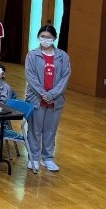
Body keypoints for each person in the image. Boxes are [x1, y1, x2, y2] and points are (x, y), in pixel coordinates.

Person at [25, 25, 71, 172]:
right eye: (43, 37)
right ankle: (33, 158)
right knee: (34, 130)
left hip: (55, 100)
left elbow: (65, 77)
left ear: (54, 38)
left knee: (50, 130)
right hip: (36, 98)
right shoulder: (32, 55)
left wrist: (52, 95)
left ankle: (48, 158)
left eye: (49, 37)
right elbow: (31, 77)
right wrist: (43, 94)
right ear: (38, 37)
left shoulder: (63, 56)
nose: (46, 39)